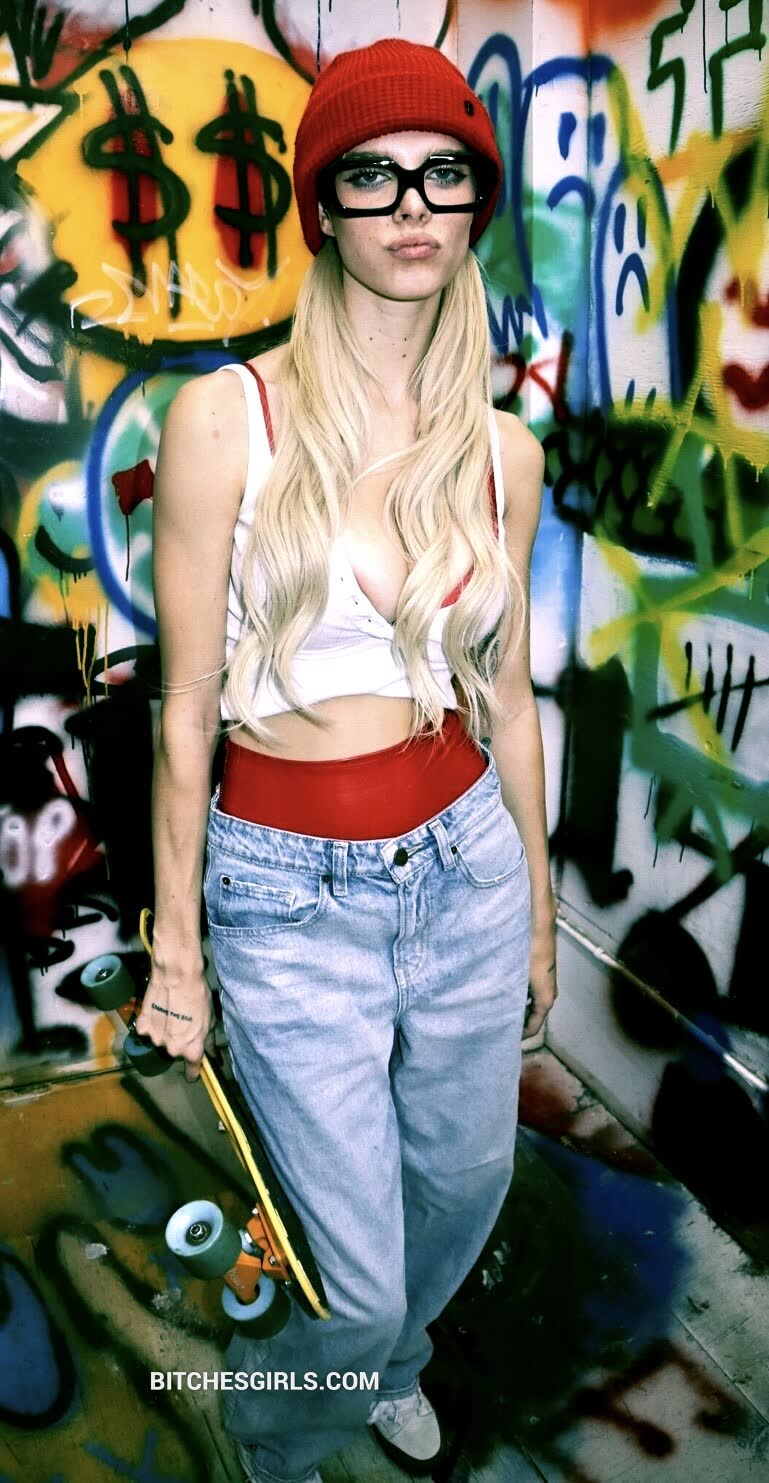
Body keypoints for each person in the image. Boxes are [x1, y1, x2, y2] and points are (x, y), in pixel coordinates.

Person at [137, 36, 558, 1483]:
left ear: (474, 202)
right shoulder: (227, 418)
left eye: (443, 174)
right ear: (323, 205)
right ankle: (281, 1429)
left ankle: (388, 1367)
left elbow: (511, 702)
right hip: (286, 890)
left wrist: (537, 914)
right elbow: (186, 705)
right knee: (352, 1268)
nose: (411, 206)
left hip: (466, 870)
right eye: (372, 176)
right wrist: (177, 949)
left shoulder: (500, 454)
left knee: (463, 1189)